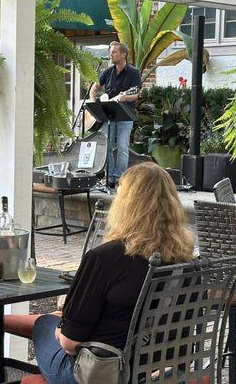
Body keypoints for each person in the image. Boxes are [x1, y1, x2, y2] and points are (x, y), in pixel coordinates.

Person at [32, 162, 195, 384]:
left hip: (106, 373)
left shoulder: (105, 258)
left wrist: (61, 330)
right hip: (165, 371)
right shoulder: (189, 262)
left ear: (124, 205)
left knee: (44, 325)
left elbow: (69, 344)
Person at [90, 41, 142, 187]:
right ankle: (110, 177)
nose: (110, 55)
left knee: (123, 147)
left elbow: (136, 94)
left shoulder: (133, 72)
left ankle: (120, 179)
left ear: (123, 54)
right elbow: (94, 88)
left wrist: (125, 97)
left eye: (114, 52)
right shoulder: (107, 71)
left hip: (125, 116)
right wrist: (95, 105)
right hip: (108, 116)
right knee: (106, 145)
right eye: (110, 52)